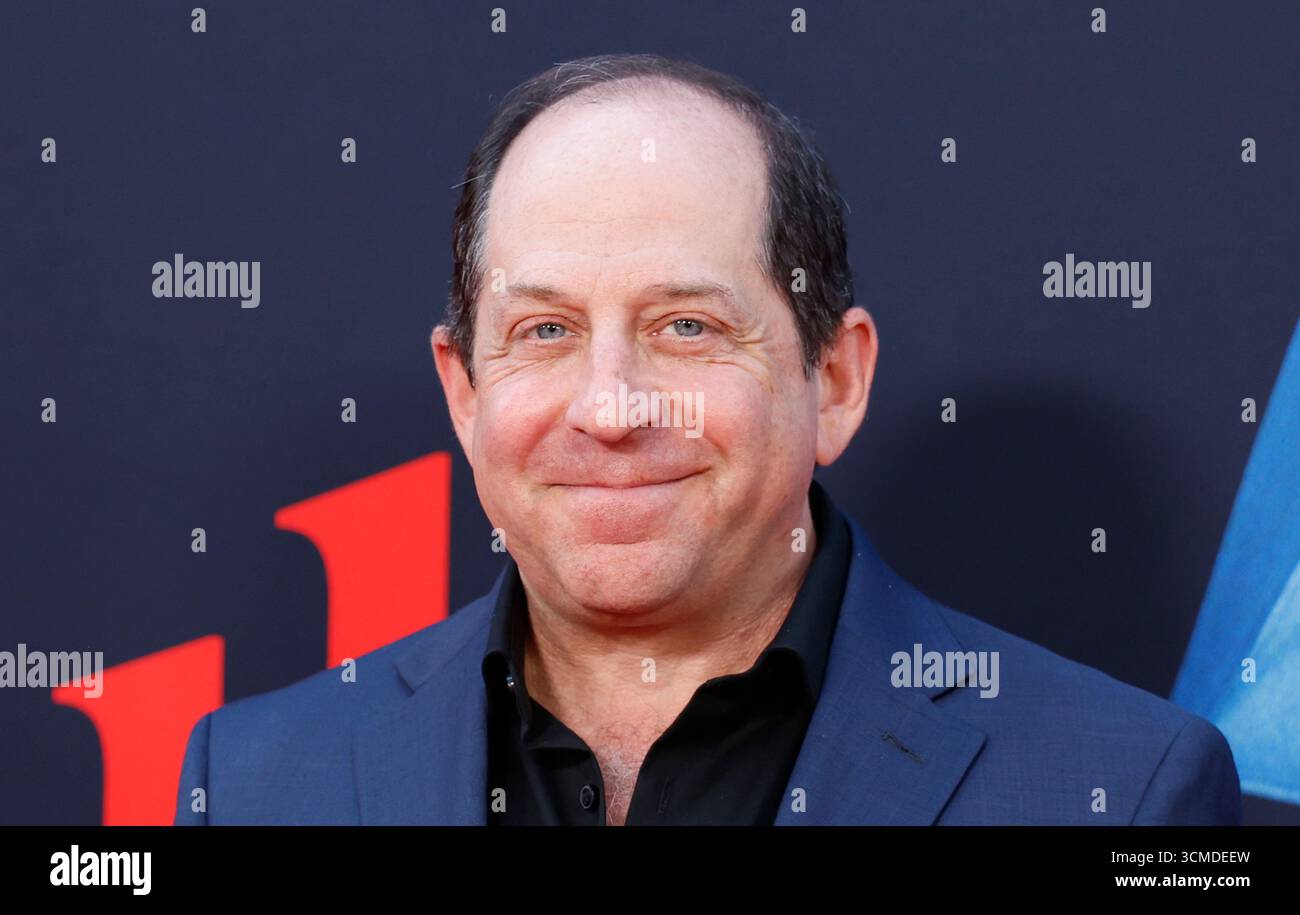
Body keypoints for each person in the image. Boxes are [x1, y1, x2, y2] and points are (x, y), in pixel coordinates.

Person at [175, 53, 1241, 826]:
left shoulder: (1126, 790)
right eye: (543, 331)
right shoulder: (259, 777)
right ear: (463, 392)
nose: (610, 408)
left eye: (686, 328)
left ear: (834, 379)